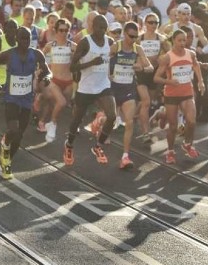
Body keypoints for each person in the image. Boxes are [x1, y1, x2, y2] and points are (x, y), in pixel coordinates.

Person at [0, 26, 51, 179]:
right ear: (16, 39)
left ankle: (7, 159)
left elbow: (47, 70)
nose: (25, 41)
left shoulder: (36, 54)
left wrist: (47, 77)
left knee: (19, 135)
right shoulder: (9, 54)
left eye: (28, 38)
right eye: (22, 38)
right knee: (13, 129)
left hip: (26, 99)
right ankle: (6, 144)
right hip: (11, 98)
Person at [63, 15, 117, 166]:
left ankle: (98, 146)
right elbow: (72, 67)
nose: (103, 31)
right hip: (86, 87)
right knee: (77, 120)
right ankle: (69, 145)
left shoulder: (110, 42)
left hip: (103, 85)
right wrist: (92, 63)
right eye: (100, 28)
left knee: (112, 116)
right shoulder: (85, 43)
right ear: (93, 27)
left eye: (105, 28)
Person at [153, 29, 206, 164]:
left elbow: (196, 66)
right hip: (171, 94)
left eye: (185, 40)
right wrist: (169, 81)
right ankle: (170, 151)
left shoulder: (191, 54)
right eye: (179, 40)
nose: (183, 43)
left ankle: (188, 144)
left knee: (192, 121)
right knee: (173, 127)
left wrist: (200, 81)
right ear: (173, 41)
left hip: (187, 92)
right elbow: (156, 78)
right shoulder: (168, 57)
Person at [110, 21, 153, 168]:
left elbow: (150, 67)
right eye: (131, 36)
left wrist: (141, 67)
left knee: (129, 123)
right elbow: (103, 60)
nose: (133, 39)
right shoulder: (117, 46)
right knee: (110, 122)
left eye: (136, 37)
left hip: (128, 89)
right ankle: (99, 124)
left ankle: (125, 156)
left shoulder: (138, 49)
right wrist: (108, 73)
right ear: (124, 34)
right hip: (113, 88)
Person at [41, 17, 76, 142]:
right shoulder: (50, 45)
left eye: (66, 30)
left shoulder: (73, 46)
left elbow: (80, 61)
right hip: (54, 80)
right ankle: (53, 124)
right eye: (61, 30)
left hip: (68, 82)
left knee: (62, 104)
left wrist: (74, 58)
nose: (64, 33)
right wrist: (41, 71)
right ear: (56, 31)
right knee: (60, 102)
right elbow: (40, 57)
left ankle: (49, 122)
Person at [137, 12, 169, 143]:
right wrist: (137, 64)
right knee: (146, 102)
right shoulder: (139, 39)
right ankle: (146, 133)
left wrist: (163, 58)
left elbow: (170, 54)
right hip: (142, 73)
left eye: (156, 22)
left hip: (155, 74)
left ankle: (141, 116)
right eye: (150, 22)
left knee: (149, 101)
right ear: (145, 24)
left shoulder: (161, 39)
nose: (153, 25)